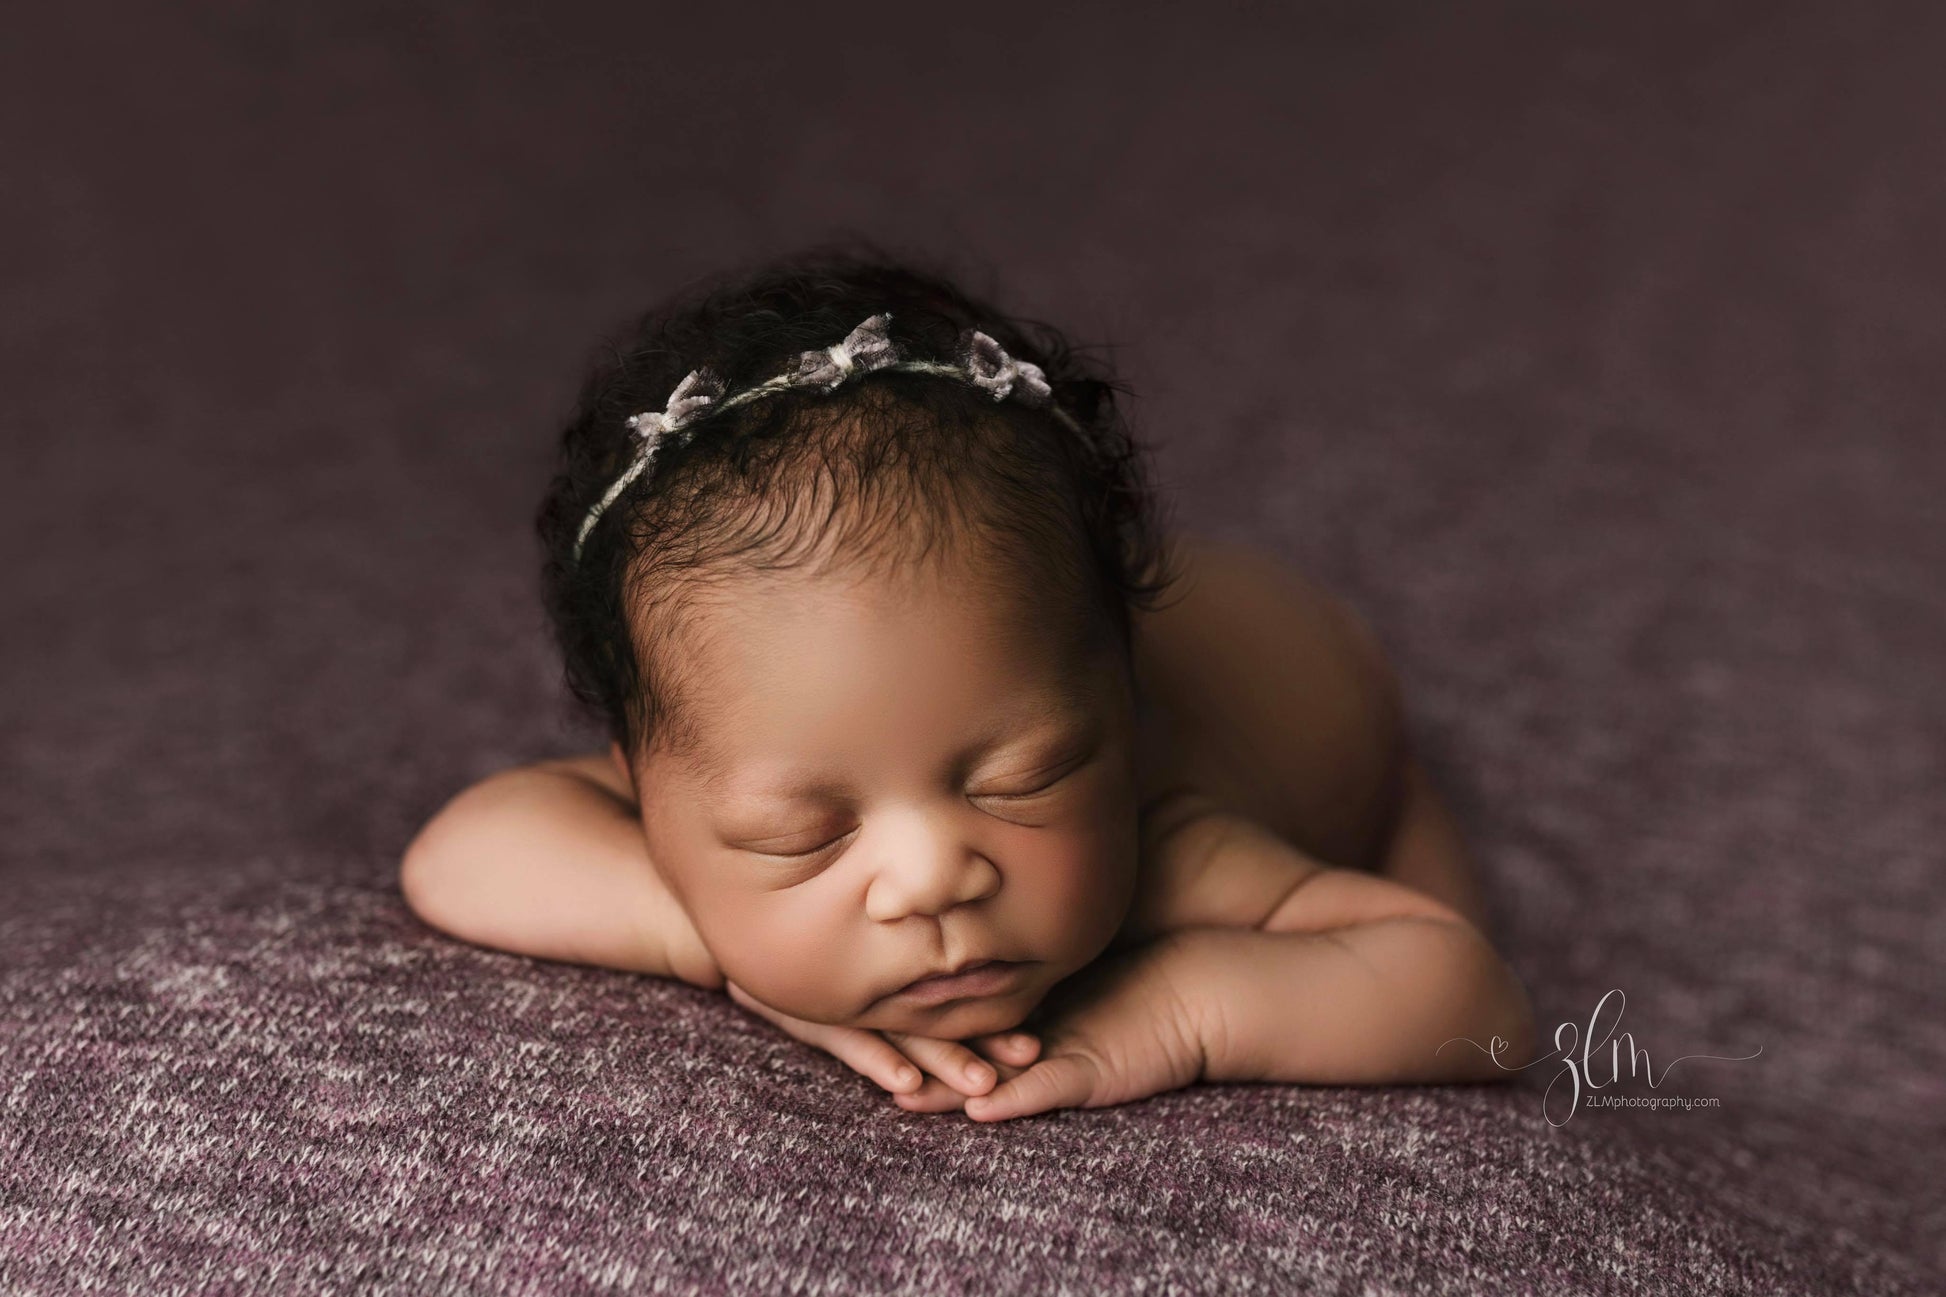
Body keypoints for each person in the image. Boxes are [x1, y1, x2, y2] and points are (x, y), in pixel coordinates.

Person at [399, 239, 1536, 1122]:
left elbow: (1467, 995)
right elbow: (459, 852)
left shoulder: (1177, 847)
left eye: (1021, 776)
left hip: (1314, 671)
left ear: (1122, 724)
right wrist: (712, 938)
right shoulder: (720, 790)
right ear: (644, 797)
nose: (932, 877)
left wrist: (1181, 1011)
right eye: (799, 834)